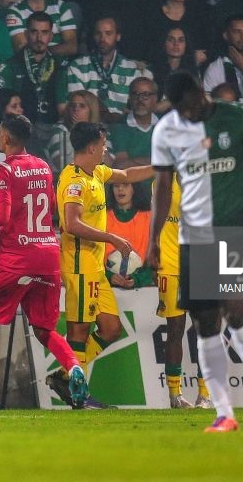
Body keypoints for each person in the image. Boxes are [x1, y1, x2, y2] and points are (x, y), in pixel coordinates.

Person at [147, 71, 243, 432]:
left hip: (234, 231)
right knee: (206, 325)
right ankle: (223, 413)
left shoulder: (238, 118)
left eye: (188, 106)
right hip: (194, 238)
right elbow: (162, 187)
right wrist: (153, 240)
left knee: (237, 314)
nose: (185, 115)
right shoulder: (167, 130)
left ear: (199, 92)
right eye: (177, 109)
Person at [0, 114, 90, 411]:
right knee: (44, 329)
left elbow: (0, 217)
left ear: (6, 137)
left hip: (16, 257)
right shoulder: (43, 167)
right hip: (48, 254)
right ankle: (73, 367)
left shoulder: (3, 170)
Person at [47, 122, 153, 408]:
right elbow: (70, 224)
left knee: (111, 328)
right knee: (79, 332)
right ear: (92, 147)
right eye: (103, 145)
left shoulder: (98, 172)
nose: (106, 149)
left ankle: (63, 376)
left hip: (95, 269)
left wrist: (162, 166)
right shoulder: (74, 181)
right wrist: (112, 238)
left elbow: (129, 174)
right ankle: (79, 395)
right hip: (80, 266)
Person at [150, 171, 211, 408]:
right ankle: (175, 395)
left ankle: (204, 395)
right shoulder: (161, 183)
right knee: (175, 330)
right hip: (171, 265)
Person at [65, 15, 153, 122]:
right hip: (89, 129)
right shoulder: (77, 66)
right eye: (98, 34)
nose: (103, 39)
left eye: (108, 33)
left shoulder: (132, 69)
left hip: (121, 130)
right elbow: (77, 107)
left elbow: (141, 106)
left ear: (118, 36)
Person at [0, 12, 68, 125]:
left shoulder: (60, 65)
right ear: (26, 34)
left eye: (44, 32)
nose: (39, 38)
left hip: (53, 129)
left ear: (51, 36)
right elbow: (2, 107)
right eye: (34, 32)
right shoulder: (10, 65)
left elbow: (63, 106)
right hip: (19, 128)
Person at [148, 0, 213, 69]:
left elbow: (211, 45)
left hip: (195, 69)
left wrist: (205, 55)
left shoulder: (199, 14)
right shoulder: (154, 15)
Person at [6, 0, 78, 57]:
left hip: (60, 65)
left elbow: (72, 47)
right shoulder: (14, 11)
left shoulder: (60, 6)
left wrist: (42, 53)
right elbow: (22, 49)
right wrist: (53, 51)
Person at [104, 181, 153, 290]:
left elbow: (156, 259)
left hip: (143, 291)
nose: (120, 189)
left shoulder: (149, 217)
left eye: (125, 185)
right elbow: (93, 257)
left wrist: (138, 279)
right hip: (106, 289)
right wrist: (108, 276)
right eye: (116, 185)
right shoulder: (102, 217)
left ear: (134, 189)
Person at [110, 77, 159, 169]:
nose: (140, 99)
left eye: (146, 94)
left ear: (155, 98)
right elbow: (121, 166)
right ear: (129, 97)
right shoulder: (120, 126)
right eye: (135, 94)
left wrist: (135, 161)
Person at [46, 90, 100, 171]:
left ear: (92, 110)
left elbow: (109, 164)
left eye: (82, 106)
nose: (76, 109)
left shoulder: (99, 132)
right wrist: (77, 133)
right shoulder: (59, 131)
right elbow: (65, 166)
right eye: (73, 105)